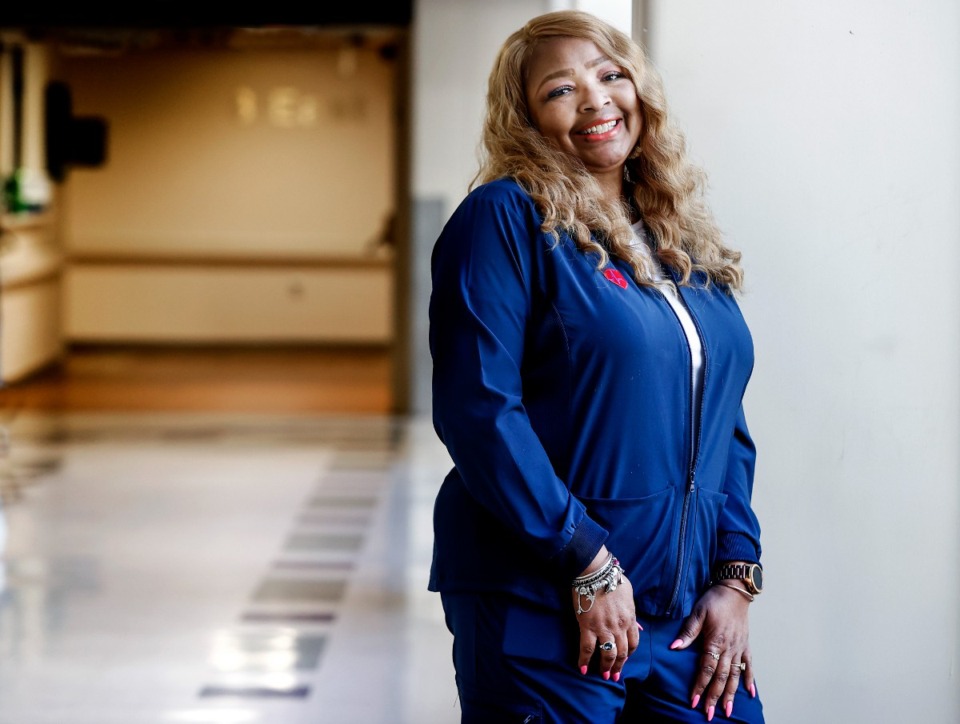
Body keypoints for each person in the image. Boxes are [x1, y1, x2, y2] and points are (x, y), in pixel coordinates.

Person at [428, 9, 765, 723]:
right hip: (546, 597)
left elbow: (722, 422)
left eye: (612, 75)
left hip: (680, 613)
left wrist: (736, 576)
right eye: (560, 90)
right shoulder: (503, 220)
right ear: (526, 118)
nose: (595, 99)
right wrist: (585, 559)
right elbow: (479, 410)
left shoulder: (678, 243)